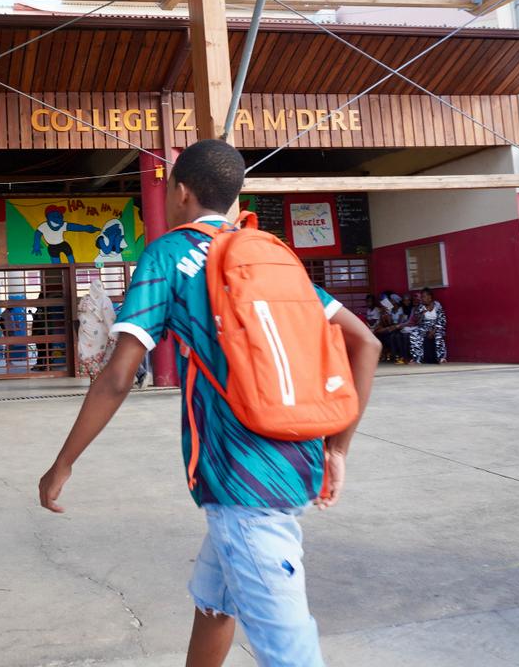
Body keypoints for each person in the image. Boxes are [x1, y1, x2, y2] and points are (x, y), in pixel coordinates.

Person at [38, 139, 381, 667]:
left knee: (289, 653)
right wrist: (338, 450)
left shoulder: (168, 254)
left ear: (179, 192)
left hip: (242, 480)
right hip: (299, 457)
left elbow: (118, 376)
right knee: (215, 603)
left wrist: (61, 465)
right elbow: (366, 343)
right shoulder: (268, 252)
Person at [76, 277, 116, 381]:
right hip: (100, 334)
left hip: (85, 332)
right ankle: (101, 379)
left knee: (88, 354)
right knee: (103, 355)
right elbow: (109, 317)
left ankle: (94, 377)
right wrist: (113, 331)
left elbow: (79, 314)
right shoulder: (104, 299)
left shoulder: (85, 299)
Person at [408, 288, 448, 364]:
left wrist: (433, 331)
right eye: (422, 297)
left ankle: (441, 358)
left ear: (430, 297)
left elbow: (442, 320)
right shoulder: (420, 307)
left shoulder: (438, 306)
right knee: (414, 334)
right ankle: (417, 358)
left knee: (438, 335)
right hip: (424, 326)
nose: (422, 299)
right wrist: (421, 315)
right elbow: (418, 322)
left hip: (437, 326)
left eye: (424, 297)